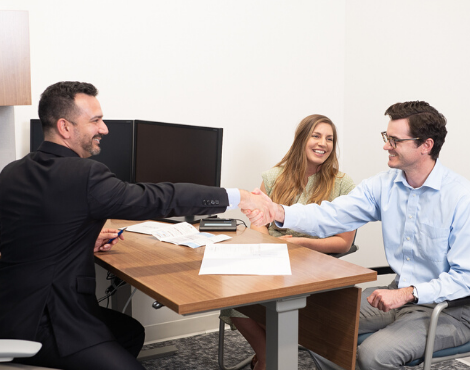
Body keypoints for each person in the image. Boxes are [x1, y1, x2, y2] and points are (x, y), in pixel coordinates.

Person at [0, 81, 274, 370]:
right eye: (95, 120)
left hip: (11, 312)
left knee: (130, 333)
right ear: (65, 127)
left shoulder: (13, 171)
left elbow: (27, 233)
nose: (104, 129)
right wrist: (235, 196)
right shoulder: (84, 175)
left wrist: (81, 240)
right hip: (54, 321)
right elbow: (157, 199)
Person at [246, 101, 470, 369]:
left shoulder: (460, 197)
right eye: (387, 137)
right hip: (396, 294)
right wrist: (278, 211)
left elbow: (465, 277)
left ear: (426, 146)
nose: (386, 146)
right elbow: (330, 215)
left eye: (395, 140)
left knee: (373, 355)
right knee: (312, 323)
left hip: (450, 310)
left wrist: (408, 293)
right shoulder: (383, 185)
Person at [221, 114, 356, 370]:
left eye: (329, 138)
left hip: (315, 263)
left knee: (275, 303)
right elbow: (259, 228)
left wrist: (303, 244)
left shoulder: (343, 184)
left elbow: (344, 243)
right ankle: (268, 357)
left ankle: (266, 360)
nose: (323, 143)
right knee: (234, 294)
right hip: (274, 257)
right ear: (302, 139)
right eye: (316, 136)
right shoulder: (274, 177)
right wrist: (272, 250)